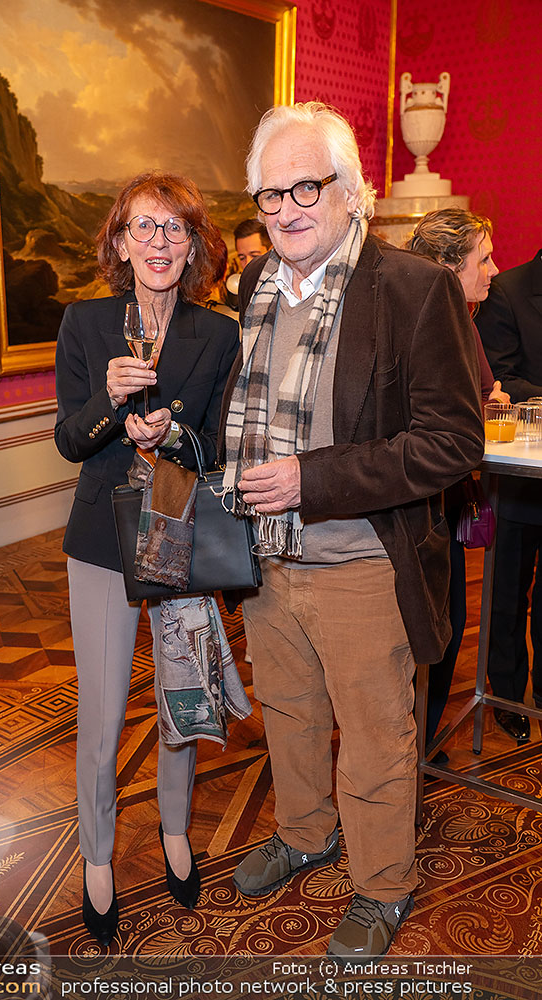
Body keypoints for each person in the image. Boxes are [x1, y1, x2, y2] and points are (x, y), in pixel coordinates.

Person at [218, 102, 484, 961]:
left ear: (349, 190)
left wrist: (312, 478)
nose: (286, 208)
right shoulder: (254, 286)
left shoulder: (411, 287)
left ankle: (382, 884)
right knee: (288, 714)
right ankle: (304, 833)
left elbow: (451, 443)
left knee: (374, 736)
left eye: (305, 187)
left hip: (364, 560)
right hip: (267, 557)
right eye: (270, 194)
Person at [54, 172, 240, 946]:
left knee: (180, 699)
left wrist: (173, 436)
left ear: (193, 246)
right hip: (102, 539)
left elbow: (217, 444)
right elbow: (69, 440)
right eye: (143, 226)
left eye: (174, 228)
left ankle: (173, 829)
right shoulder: (85, 323)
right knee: (101, 715)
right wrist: (108, 404)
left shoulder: (217, 333)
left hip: (176, 533)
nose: (159, 242)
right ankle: (98, 856)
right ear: (120, 242)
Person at [405, 208, 509, 752]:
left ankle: (420, 743)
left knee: (447, 625)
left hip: (445, 501)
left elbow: (486, 395)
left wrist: (493, 401)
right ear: (448, 265)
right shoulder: (421, 321)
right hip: (417, 507)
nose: (494, 270)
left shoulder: (462, 320)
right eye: (483, 259)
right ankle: (409, 751)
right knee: (427, 631)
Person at [476, 247, 542, 743]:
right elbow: (500, 378)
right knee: (507, 594)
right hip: (518, 476)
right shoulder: (508, 290)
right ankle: (507, 695)